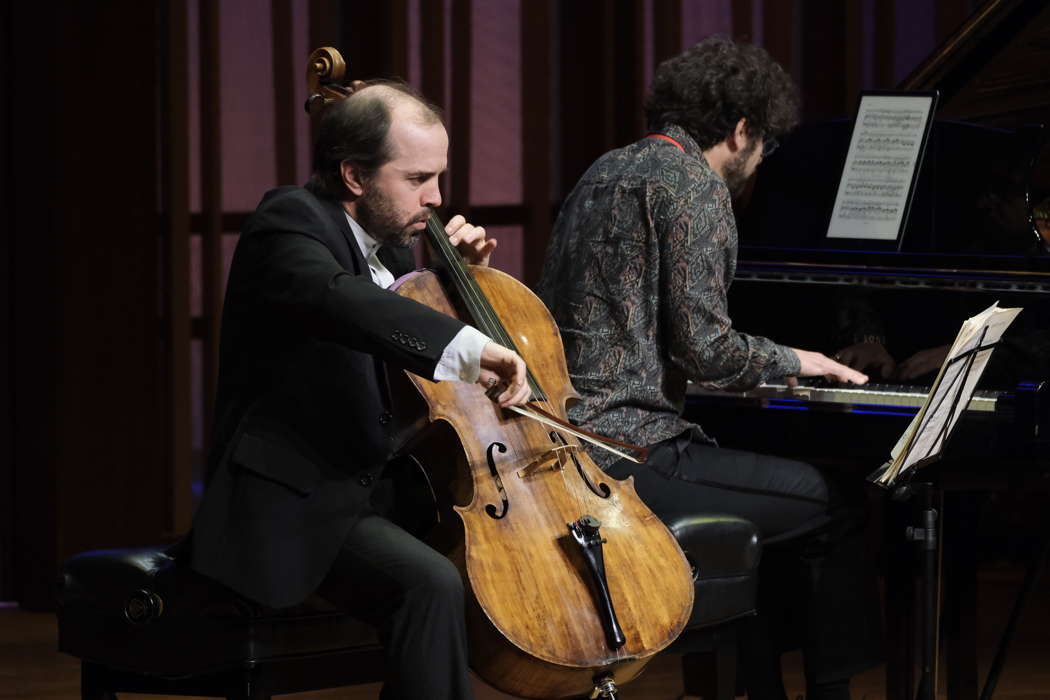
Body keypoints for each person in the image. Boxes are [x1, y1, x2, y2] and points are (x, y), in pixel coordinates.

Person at [537, 37, 882, 700]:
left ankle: (761, 686)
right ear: (742, 128)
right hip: (629, 454)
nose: (757, 166)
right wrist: (801, 359)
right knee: (836, 505)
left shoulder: (602, 171)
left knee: (760, 512)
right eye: (763, 147)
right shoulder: (696, 186)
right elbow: (709, 353)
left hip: (563, 446)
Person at [188, 81, 530, 700]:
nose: (437, 197)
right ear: (353, 175)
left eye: (439, 177)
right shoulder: (289, 222)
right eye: (417, 178)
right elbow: (345, 302)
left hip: (384, 491)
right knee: (430, 583)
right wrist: (473, 346)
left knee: (498, 569)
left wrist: (465, 282)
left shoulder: (399, 256)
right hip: (298, 496)